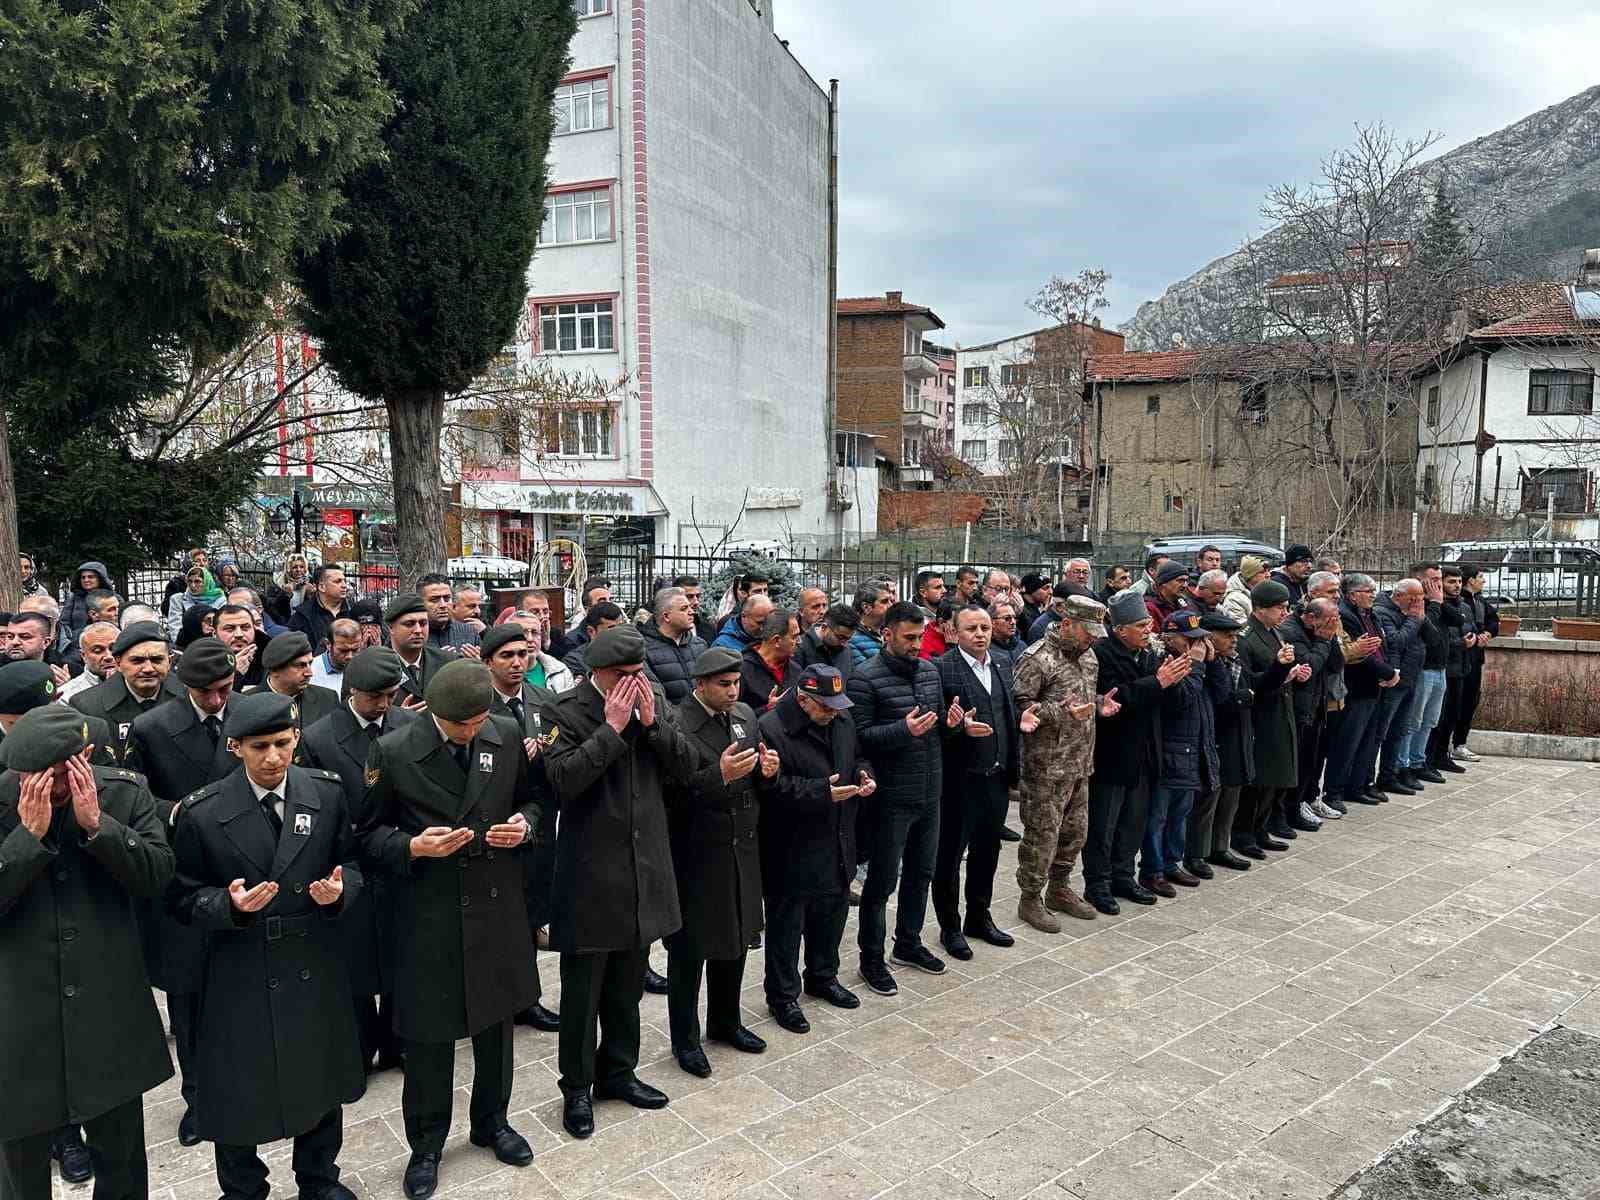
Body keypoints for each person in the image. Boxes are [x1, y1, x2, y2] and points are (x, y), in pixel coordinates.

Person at [170, 692, 365, 1200]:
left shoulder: (325, 793)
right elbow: (181, 896)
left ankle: (319, 1178)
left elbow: (353, 860)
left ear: (297, 738)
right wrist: (229, 906)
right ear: (236, 747)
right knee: (236, 1083)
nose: (273, 757)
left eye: (282, 743)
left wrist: (341, 892)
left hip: (310, 954)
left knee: (318, 1072)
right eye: (260, 747)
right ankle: (242, 1187)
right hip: (239, 964)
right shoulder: (204, 812)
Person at [358, 660, 541, 1198]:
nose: (473, 731)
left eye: (481, 720)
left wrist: (524, 825)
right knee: (430, 1037)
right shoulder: (393, 751)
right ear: (437, 715)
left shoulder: (503, 733)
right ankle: (427, 1143)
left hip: (493, 905)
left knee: (495, 1026)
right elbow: (365, 836)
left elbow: (533, 798)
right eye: (463, 725)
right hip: (428, 912)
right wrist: (411, 846)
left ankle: (493, 1122)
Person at [0, 706, 175, 1200]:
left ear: (87, 756)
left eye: (62, 776)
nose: (52, 790)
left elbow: (157, 874)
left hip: (107, 1003)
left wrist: (100, 827)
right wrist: (25, 838)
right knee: (20, 1164)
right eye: (37, 779)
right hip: (18, 1015)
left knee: (121, 1158)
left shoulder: (123, 792)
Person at [537, 626, 704, 1139]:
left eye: (639, 673)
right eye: (623, 676)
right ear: (598, 674)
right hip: (590, 875)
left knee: (629, 985)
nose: (635, 683)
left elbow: (689, 768)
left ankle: (619, 1073)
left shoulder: (652, 699)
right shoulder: (562, 711)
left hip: (643, 868)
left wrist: (653, 727)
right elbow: (563, 781)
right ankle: (576, 1088)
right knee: (583, 994)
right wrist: (610, 730)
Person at [125, 636, 242, 1147]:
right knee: (189, 995)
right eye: (205, 692)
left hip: (241, 866)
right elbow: (133, 794)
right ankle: (198, 1096)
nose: (217, 701)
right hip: (184, 873)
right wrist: (177, 811)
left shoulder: (248, 713)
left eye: (224, 689)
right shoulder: (152, 727)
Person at [300, 647, 418, 1075]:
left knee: (399, 956)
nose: (385, 704)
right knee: (355, 962)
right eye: (375, 697)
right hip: (349, 862)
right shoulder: (318, 737)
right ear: (353, 691)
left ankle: (397, 1041)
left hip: (398, 857)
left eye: (391, 694)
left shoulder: (409, 724)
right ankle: (359, 1045)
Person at [663, 647, 777, 1076]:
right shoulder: (678, 724)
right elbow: (669, 793)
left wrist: (768, 771)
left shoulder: (745, 715)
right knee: (690, 951)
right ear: (700, 685)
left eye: (736, 684)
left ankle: (726, 1020)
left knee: (736, 938)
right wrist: (719, 776)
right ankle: (685, 1039)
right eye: (723, 685)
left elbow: (758, 770)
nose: (733, 692)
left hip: (741, 846)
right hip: (697, 853)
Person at [757, 664, 874, 1033]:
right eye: (826, 706)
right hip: (792, 846)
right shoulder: (772, 729)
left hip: (838, 838)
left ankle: (823, 976)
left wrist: (864, 775)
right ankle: (783, 996)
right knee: (787, 927)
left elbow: (855, 757)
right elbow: (771, 790)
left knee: (832, 915)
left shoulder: (840, 720)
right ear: (804, 700)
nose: (834, 712)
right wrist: (822, 793)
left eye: (838, 706)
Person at [847, 601, 945, 993]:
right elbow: (861, 738)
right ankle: (870, 958)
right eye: (909, 637)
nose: (917, 644)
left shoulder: (929, 672)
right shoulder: (865, 679)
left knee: (921, 874)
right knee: (882, 882)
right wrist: (903, 731)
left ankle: (908, 942)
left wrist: (954, 727)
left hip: (930, 792)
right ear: (886, 634)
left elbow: (935, 730)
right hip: (890, 799)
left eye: (920, 636)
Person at [932, 604, 1035, 958]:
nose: (980, 634)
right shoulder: (942, 668)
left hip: (995, 777)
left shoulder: (1002, 663)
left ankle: (979, 915)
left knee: (987, 852)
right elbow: (934, 729)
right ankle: (950, 926)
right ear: (955, 632)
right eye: (971, 628)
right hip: (959, 781)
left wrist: (1022, 720)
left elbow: (1006, 711)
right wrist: (957, 727)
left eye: (985, 627)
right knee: (949, 856)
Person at [1083, 592, 1192, 913]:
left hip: (1146, 753)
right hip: (1112, 755)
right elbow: (1118, 698)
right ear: (1120, 630)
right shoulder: (1101, 655)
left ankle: (1124, 876)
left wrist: (1175, 680)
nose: (1148, 630)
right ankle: (1097, 883)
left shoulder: (1149, 654)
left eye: (1149, 624)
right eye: (1141, 625)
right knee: (1104, 825)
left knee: (1134, 822)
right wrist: (1158, 682)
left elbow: (1172, 702)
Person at [477, 625, 562, 1036]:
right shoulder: (479, 705)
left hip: (537, 822)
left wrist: (547, 752)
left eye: (523, 654)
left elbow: (563, 754)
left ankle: (527, 998)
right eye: (506, 656)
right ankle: (494, 998)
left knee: (530, 913)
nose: (516, 663)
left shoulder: (545, 701)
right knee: (496, 921)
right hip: (494, 824)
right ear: (487, 661)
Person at [1012, 596, 1112, 929]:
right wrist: (1059, 712)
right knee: (1042, 836)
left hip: (1081, 762)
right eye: (1088, 632)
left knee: (1074, 834)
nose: (1093, 639)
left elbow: (1082, 699)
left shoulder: (1089, 657)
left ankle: (1059, 888)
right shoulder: (1037, 659)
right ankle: (1030, 898)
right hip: (1046, 769)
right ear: (1067, 624)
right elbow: (1021, 709)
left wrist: (1098, 704)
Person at [1139, 611, 1224, 897]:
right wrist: (1198, 666)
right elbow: (1181, 700)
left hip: (1194, 748)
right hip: (1169, 751)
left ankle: (1173, 862)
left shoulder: (1198, 663)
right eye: (1188, 640)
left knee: (1180, 813)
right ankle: (1153, 870)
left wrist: (1214, 663)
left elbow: (1222, 695)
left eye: (1198, 640)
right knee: (1158, 817)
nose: (1195, 646)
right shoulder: (1163, 661)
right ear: (1170, 638)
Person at [1236, 582, 1309, 853]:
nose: (1284, 613)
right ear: (1259, 609)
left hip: (1281, 709)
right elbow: (1250, 681)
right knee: (1260, 778)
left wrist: (1295, 673)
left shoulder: (1274, 632)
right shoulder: (1246, 637)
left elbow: (1280, 671)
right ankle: (1244, 832)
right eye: (1279, 607)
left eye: (1286, 607)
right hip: (1260, 716)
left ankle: (1260, 827)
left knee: (1275, 775)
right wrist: (1281, 670)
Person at [1328, 574, 1402, 808]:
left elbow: (1384, 645)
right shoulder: (1347, 616)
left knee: (1368, 742)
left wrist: (1391, 671)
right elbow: (1361, 654)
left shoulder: (1373, 614)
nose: (1373, 594)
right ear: (1352, 595)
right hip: (1357, 687)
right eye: (1367, 590)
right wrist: (1387, 673)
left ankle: (1358, 786)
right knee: (1347, 743)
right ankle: (1335, 792)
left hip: (1376, 686)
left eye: (1374, 589)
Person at [70, 622, 182, 764]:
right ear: (118, 664)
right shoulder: (87, 706)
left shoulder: (188, 695)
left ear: (169, 661)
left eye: (156, 659)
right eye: (137, 660)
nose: (148, 668)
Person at [1196, 611, 1257, 868]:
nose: (1233, 641)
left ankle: (1220, 846)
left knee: (1231, 793)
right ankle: (1198, 852)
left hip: (1236, 736)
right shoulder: (1208, 664)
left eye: (1235, 635)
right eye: (1227, 635)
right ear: (1209, 637)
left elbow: (1252, 684)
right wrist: (1244, 696)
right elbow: (1223, 701)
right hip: (1214, 738)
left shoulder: (1232, 660)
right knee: (1208, 800)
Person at [1277, 597, 1342, 831]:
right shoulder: (1291, 630)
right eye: (1328, 620)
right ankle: (1286, 812)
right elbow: (1309, 665)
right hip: (1297, 707)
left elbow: (1336, 664)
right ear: (1311, 617)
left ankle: (1299, 805)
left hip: (1316, 705)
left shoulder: (1323, 632)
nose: (1331, 624)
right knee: (1296, 764)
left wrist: (1330, 639)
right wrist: (1324, 639)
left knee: (1309, 763)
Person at [1372, 578, 1427, 797]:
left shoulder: (1412, 614)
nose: (1418, 603)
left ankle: (1388, 776)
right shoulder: (1383, 611)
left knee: (1398, 732)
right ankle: (1368, 780)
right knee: (1381, 733)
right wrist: (1414, 620)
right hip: (1393, 681)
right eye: (1415, 598)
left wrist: (1421, 618)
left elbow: (1430, 639)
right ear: (1400, 595)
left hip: (1410, 679)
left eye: (1422, 598)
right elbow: (1395, 641)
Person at [1428, 565, 1477, 775]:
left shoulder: (1464, 605)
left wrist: (1476, 637)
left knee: (1452, 716)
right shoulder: (1438, 607)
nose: (1456, 586)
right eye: (1451, 582)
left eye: (1458, 582)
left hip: (1462, 668)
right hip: (1444, 667)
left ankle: (1442, 755)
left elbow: (1471, 626)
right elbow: (1439, 639)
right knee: (1436, 718)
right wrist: (1460, 644)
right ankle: (1430, 758)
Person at [1452, 565, 1497, 760]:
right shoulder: (1457, 602)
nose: (1484, 581)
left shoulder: (1480, 601)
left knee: (1470, 701)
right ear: (1471, 580)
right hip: (1458, 660)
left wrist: (1487, 633)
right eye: (1481, 577)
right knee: (1454, 704)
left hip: (1475, 659)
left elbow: (1494, 621)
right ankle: (1442, 747)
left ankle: (1460, 744)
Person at [641, 587, 706, 704]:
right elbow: (654, 699)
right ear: (666, 616)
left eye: (690, 607)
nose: (691, 612)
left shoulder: (699, 645)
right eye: (684, 609)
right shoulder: (644, 649)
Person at [385, 595, 450, 707]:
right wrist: (396, 717)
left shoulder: (447, 662)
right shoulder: (374, 666)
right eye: (409, 624)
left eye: (423, 623)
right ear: (391, 628)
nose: (418, 630)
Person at [740, 607, 799, 712]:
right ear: (777, 640)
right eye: (794, 637)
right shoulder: (743, 669)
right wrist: (768, 709)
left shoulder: (796, 670)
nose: (799, 642)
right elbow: (735, 717)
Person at [288, 564, 354, 654]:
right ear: (321, 587)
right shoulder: (302, 617)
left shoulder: (353, 612)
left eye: (344, 581)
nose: (344, 585)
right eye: (338, 581)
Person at [417, 575, 481, 658]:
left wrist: (478, 664)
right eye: (434, 600)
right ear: (420, 602)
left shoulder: (469, 632)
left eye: (447, 599)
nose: (443, 605)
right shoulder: (415, 634)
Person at [561, 601, 626, 681]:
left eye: (621, 627)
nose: (618, 633)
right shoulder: (575, 661)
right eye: (611, 629)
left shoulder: (630, 653)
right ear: (591, 632)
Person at [58, 621, 119, 703]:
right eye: (98, 651)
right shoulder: (67, 696)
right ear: (83, 656)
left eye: (113, 648)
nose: (108, 656)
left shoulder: (138, 683)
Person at [793, 603, 856, 681]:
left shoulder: (846, 649)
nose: (844, 643)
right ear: (824, 627)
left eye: (848, 639)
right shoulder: (799, 648)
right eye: (840, 637)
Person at [215, 602, 270, 689]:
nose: (239, 634)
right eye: (229, 629)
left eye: (245, 628)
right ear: (215, 633)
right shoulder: (203, 662)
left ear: (254, 629)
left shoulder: (273, 659)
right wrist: (234, 674)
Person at [310, 618, 364, 693]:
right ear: (328, 644)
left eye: (355, 650)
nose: (350, 656)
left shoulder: (366, 668)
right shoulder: (310, 672)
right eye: (343, 650)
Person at [62, 561, 114, 639]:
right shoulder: (74, 599)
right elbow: (64, 623)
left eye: (91, 577)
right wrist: (73, 638)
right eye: (83, 577)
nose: (86, 580)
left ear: (100, 578)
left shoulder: (113, 598)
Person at [710, 593, 774, 654]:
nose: (764, 628)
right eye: (759, 623)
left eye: (768, 622)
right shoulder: (721, 646)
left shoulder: (774, 638)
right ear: (744, 616)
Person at [167, 564, 214, 642]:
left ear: (206, 582)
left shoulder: (219, 599)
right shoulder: (178, 599)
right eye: (190, 581)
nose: (193, 585)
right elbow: (175, 629)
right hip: (186, 644)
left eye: (197, 581)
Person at [848, 583, 891, 666]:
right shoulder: (851, 640)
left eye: (891, 601)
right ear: (866, 607)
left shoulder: (889, 633)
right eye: (884, 601)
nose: (890, 605)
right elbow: (865, 674)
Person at [265, 554, 312, 627]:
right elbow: (272, 609)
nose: (298, 570)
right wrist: (285, 594)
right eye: (294, 567)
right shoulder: (277, 585)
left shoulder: (310, 585)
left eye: (302, 567)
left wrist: (310, 596)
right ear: (289, 569)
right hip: (285, 626)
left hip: (305, 626)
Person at [671, 576, 719, 648]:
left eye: (698, 596)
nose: (696, 602)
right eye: (689, 596)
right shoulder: (665, 630)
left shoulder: (708, 628)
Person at [1221, 555, 1269, 624]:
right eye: (1262, 572)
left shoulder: (1262, 589)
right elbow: (1240, 629)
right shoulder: (1234, 599)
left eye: (1268, 571)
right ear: (1250, 575)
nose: (1268, 575)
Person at [1144, 561, 1191, 626]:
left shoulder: (1183, 603)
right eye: (1180, 580)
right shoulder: (1149, 607)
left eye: (1186, 581)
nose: (1185, 585)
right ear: (1164, 582)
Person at [918, 597, 956, 661]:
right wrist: (951, 648)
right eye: (956, 624)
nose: (961, 628)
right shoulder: (923, 643)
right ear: (941, 622)